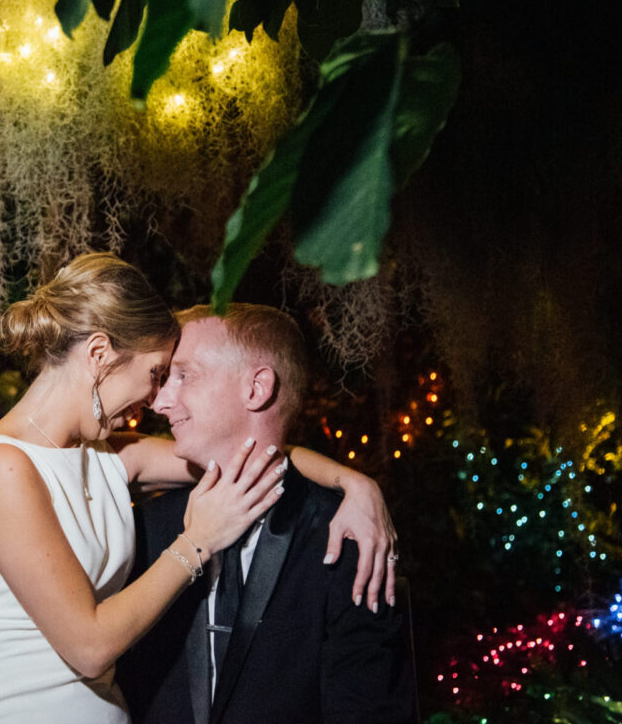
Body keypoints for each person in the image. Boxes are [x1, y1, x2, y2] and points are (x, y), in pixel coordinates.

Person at [0, 254, 396, 723]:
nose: (155, 400)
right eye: (156, 373)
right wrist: (196, 543)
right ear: (99, 355)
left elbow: (250, 454)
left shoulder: (112, 457)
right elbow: (90, 647)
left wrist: (355, 484)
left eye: (170, 376)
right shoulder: (3, 466)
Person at [116, 304, 416, 723]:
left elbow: (366, 709)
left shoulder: (345, 537)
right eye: (165, 379)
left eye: (184, 375)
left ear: (257, 389)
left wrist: (357, 485)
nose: (160, 401)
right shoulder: (146, 528)